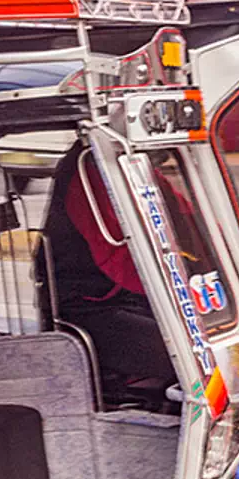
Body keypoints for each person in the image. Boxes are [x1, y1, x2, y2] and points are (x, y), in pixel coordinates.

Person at [41, 143, 176, 402]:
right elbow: (119, 262)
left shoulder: (126, 159)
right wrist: (182, 277)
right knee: (192, 353)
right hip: (87, 310)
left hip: (122, 298)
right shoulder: (91, 166)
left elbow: (179, 210)